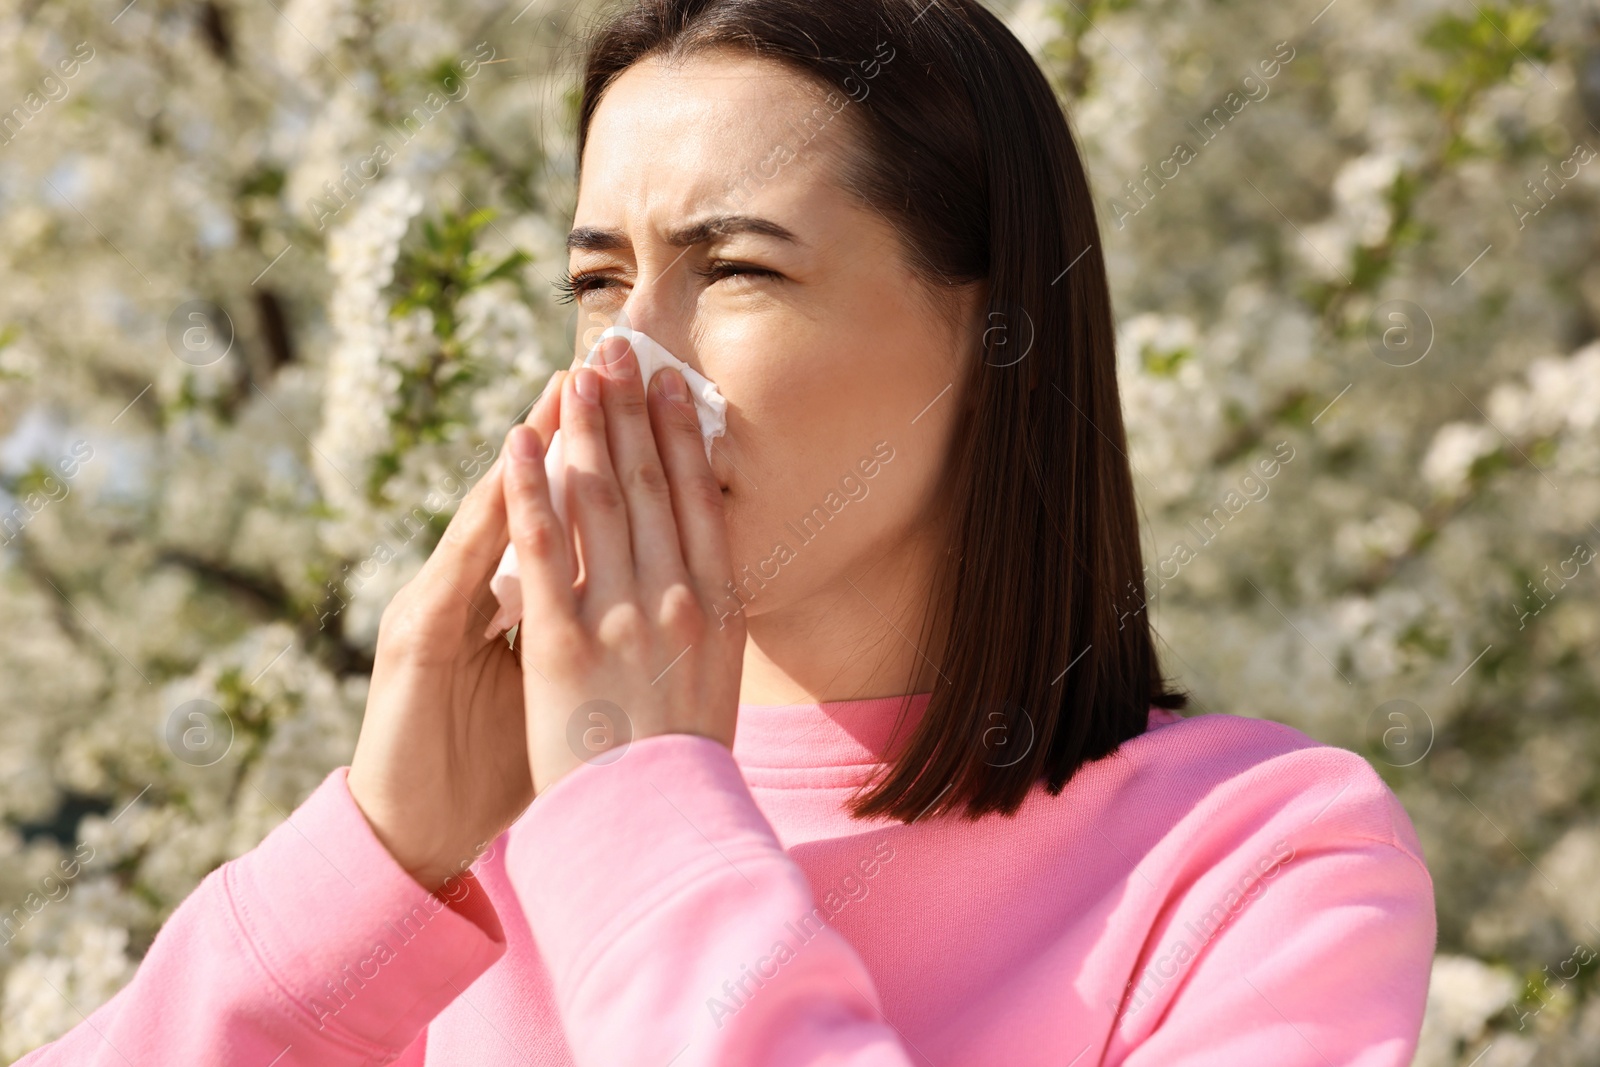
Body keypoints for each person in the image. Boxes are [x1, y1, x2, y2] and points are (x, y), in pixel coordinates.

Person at [16, 0, 1436, 1062]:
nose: (625, 362)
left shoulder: (1258, 861)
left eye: (735, 268)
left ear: (995, 327)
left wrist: (638, 806)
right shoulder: (485, 844)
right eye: (598, 279)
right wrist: (376, 861)